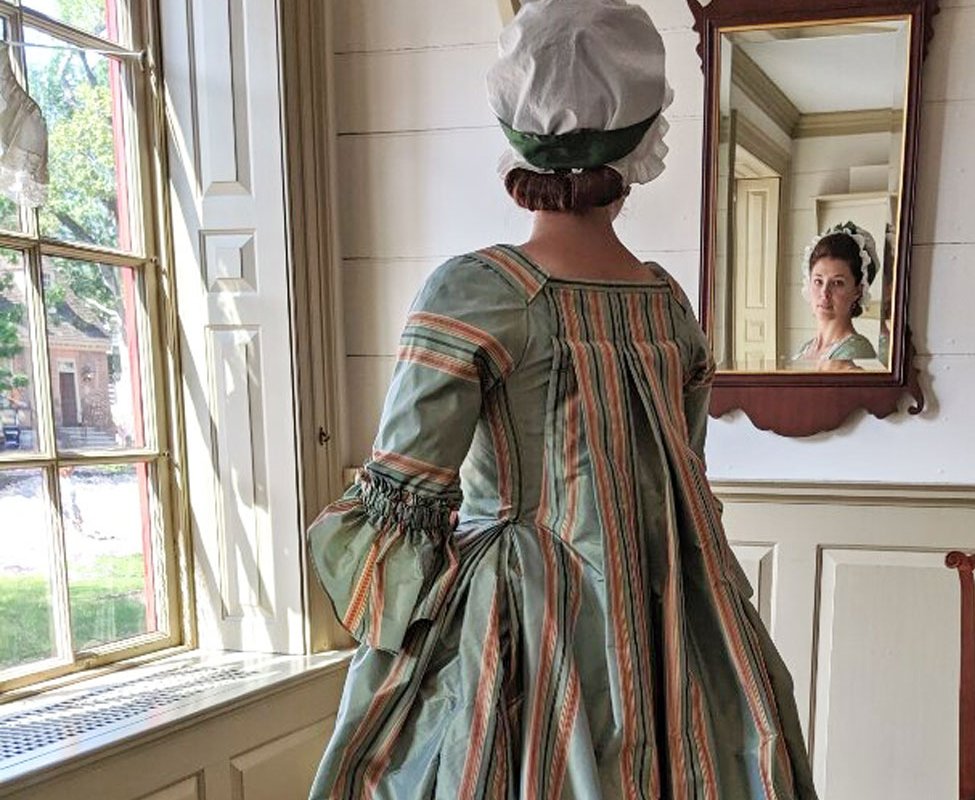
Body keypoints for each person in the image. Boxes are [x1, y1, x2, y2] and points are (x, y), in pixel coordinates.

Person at [306, 1, 819, 797]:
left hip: (518, 629)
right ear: (646, 136)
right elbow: (674, 484)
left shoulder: (473, 292)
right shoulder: (667, 305)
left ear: (517, 131)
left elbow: (402, 504)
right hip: (675, 617)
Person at [789, 222, 879, 371]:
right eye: (818, 281)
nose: (824, 292)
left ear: (858, 290)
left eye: (837, 283)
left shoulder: (857, 352)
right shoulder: (806, 349)